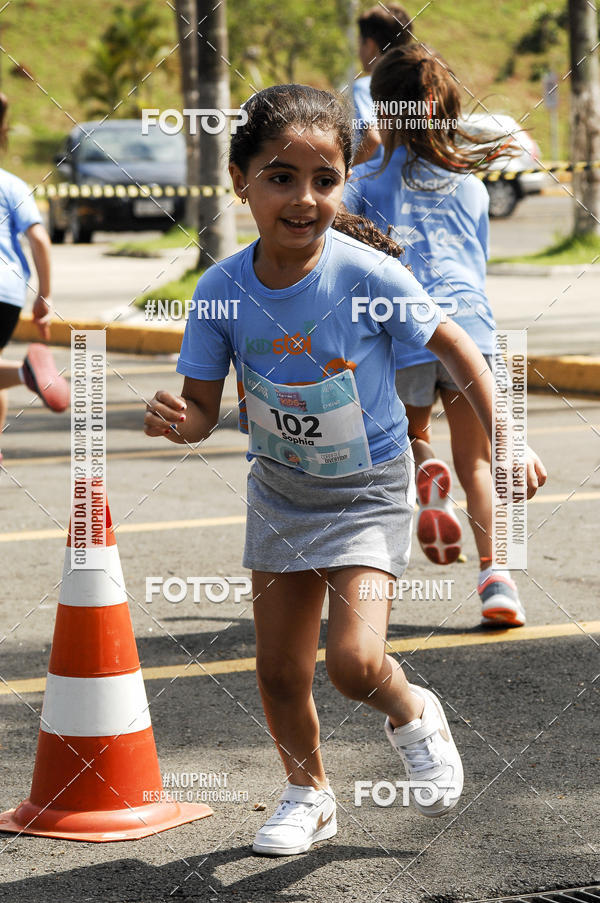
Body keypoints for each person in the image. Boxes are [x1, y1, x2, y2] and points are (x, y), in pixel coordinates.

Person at [144, 84, 546, 857]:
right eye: (280, 177)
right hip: (281, 493)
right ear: (239, 180)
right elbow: (201, 407)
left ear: (343, 183)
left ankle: (412, 710)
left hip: (368, 490)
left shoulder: (368, 277)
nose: (304, 198)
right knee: (278, 672)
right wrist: (181, 423)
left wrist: (510, 440)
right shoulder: (221, 291)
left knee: (355, 665)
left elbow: (458, 348)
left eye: (324, 180)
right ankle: (308, 792)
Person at [342, 45, 536, 627]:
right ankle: (497, 578)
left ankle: (428, 478)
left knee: (410, 433)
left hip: (403, 331)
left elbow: (345, 248)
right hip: (470, 330)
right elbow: (476, 264)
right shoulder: (472, 186)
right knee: (479, 462)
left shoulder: (365, 182)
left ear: (381, 109)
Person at [0, 92, 69, 457]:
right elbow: (39, 239)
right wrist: (45, 295)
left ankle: (26, 373)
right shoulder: (12, 184)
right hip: (9, 294)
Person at [352, 4, 412, 164]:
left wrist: (345, 175)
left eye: (360, 44)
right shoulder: (414, 80)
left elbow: (372, 137)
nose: (359, 52)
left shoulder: (365, 86)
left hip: (376, 177)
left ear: (370, 46)